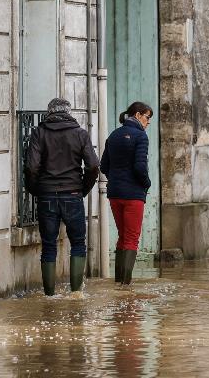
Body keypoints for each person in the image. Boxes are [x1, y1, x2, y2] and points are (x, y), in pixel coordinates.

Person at [24, 97, 99, 295]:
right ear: (69, 112)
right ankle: (76, 294)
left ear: (49, 112)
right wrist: (82, 189)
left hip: (47, 194)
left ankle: (49, 295)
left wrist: (36, 189)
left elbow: (31, 167)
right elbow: (93, 166)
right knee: (78, 243)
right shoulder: (80, 134)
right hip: (73, 193)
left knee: (48, 245)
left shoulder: (39, 133)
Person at [100, 101, 153, 286]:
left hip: (115, 194)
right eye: (147, 117)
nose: (148, 122)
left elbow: (104, 166)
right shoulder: (141, 137)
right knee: (131, 238)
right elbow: (140, 167)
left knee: (122, 236)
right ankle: (126, 286)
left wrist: (116, 179)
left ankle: (118, 283)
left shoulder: (114, 135)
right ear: (138, 115)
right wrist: (146, 184)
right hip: (133, 195)